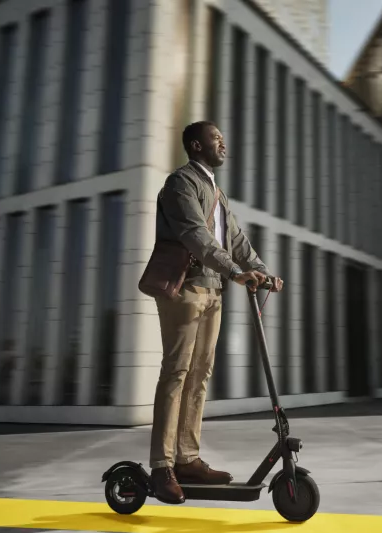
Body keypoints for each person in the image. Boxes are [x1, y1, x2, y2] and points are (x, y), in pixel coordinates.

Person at [149, 120, 284, 504]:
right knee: (176, 373)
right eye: (216, 139)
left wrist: (264, 271)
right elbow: (196, 234)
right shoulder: (181, 184)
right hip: (187, 288)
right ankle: (162, 465)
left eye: (223, 139)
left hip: (213, 290)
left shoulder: (217, 193)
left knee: (200, 376)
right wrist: (237, 271)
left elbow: (236, 240)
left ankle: (187, 458)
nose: (223, 145)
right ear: (196, 145)